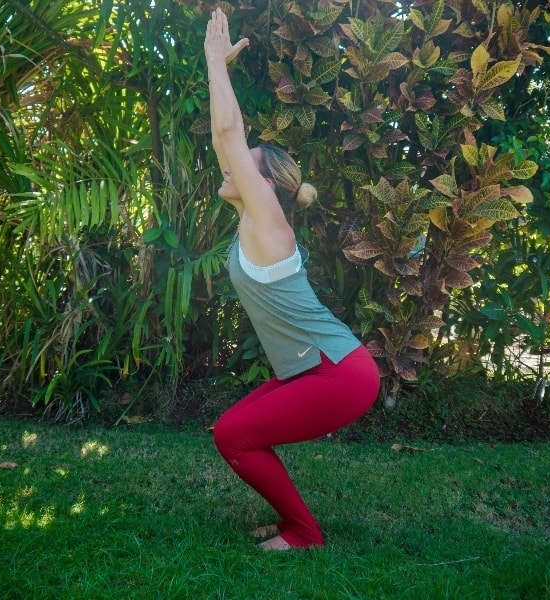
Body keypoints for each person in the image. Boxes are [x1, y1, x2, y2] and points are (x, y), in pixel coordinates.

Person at [204, 7, 380, 551]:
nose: (226, 167)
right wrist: (219, 76)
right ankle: (292, 520)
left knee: (233, 436)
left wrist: (215, 61)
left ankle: (304, 533)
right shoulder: (252, 223)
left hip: (339, 374)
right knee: (231, 432)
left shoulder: (270, 223)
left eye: (240, 165)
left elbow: (230, 133)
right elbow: (223, 137)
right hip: (314, 369)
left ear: (264, 185)